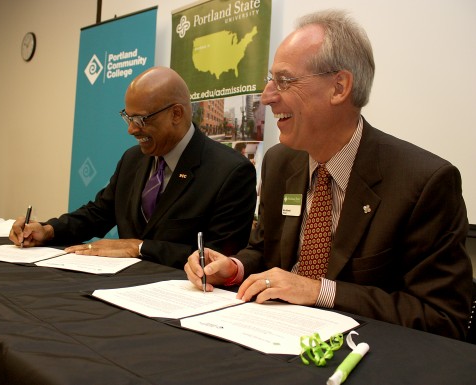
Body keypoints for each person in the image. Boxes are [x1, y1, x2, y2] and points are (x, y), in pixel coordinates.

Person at [185, 10, 473, 340]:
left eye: (284, 81)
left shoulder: (424, 183)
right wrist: (234, 268)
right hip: (268, 335)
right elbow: (265, 251)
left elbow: (442, 318)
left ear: (339, 87)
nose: (267, 95)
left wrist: (319, 291)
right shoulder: (280, 162)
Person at [10, 66, 257, 269]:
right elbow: (98, 213)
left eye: (141, 120)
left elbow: (218, 260)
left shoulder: (231, 172)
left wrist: (139, 247)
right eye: (128, 118)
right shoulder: (133, 159)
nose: (131, 129)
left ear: (176, 114)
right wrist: (47, 230)